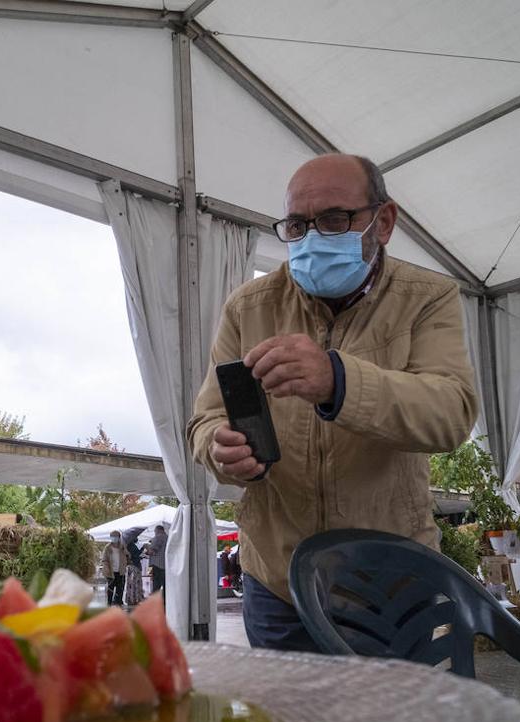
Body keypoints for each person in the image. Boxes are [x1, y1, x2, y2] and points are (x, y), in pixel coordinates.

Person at [187, 153, 477, 652]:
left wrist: (338, 380)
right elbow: (206, 418)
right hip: (279, 580)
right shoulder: (249, 306)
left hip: (391, 582)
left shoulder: (428, 297)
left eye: (335, 220)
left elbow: (451, 412)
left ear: (383, 222)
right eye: (298, 225)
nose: (314, 237)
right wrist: (220, 448)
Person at [100, 530, 129, 607]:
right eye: (112, 536)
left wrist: (126, 552)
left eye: (115, 536)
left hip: (121, 571)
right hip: (111, 571)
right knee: (110, 589)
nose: (114, 538)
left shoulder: (122, 546)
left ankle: (119, 603)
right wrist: (106, 568)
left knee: (120, 589)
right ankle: (109, 603)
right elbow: (104, 559)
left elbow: (128, 556)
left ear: (119, 537)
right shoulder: (108, 547)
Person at [122, 526, 145, 607]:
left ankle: (131, 598)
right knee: (134, 583)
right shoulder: (131, 546)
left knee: (131, 583)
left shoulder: (128, 545)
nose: (136, 538)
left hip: (131, 566)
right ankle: (134, 599)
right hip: (134, 566)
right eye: (135, 537)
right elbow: (135, 555)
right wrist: (143, 548)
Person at [146, 524, 168, 600]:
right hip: (165, 565)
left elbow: (152, 551)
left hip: (156, 565)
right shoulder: (168, 537)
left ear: (157, 530)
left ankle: (154, 603)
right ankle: (165, 601)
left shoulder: (158, 537)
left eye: (155, 531)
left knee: (156, 585)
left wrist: (147, 548)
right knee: (165, 585)